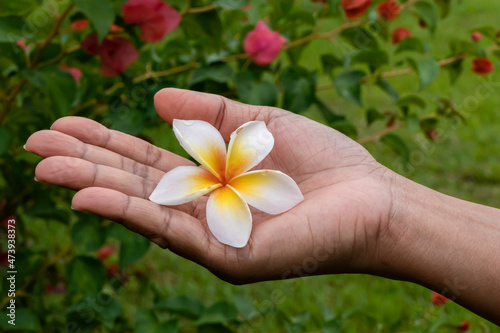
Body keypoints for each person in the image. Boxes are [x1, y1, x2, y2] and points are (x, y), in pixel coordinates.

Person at [25, 88, 500, 325]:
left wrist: (387, 209)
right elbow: (169, 186)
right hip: (213, 178)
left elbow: (274, 186)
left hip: (230, 185)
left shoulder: (245, 167)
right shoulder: (196, 168)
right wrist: (389, 211)